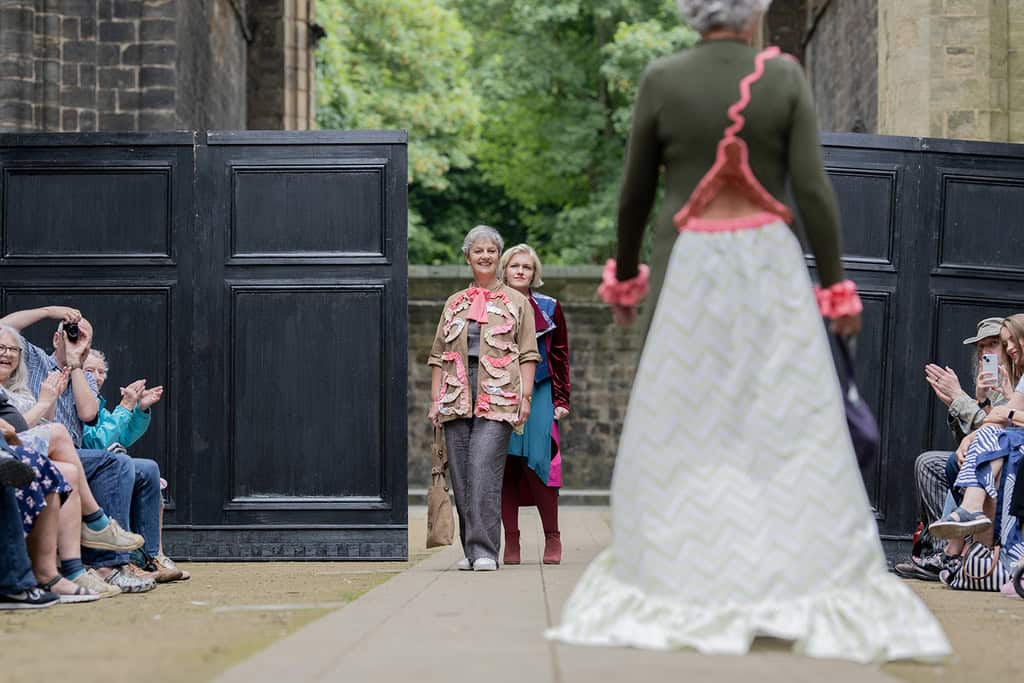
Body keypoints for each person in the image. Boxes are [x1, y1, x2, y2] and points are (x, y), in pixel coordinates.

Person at [546, 0, 950, 662]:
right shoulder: (784, 76)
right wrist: (836, 287)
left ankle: (685, 571)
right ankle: (785, 573)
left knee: (688, 422)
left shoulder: (662, 79)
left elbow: (633, 195)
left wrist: (623, 276)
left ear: (691, 12)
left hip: (690, 273)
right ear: (753, 10)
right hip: (769, 268)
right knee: (782, 424)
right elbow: (814, 193)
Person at [0, 308, 156, 593]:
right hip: (44, 449)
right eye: (71, 332)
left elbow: (88, 413)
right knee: (116, 464)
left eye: (83, 336)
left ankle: (145, 557)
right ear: (56, 337)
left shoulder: (82, 374)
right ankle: (108, 564)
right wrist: (50, 311)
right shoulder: (34, 360)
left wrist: (75, 365)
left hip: (73, 451)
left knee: (140, 467)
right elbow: (4, 328)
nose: (76, 337)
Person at [427, 225, 540, 572]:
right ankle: (472, 550)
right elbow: (438, 355)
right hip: (457, 392)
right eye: (478, 250)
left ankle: (487, 549)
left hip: (500, 392)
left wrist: (525, 397)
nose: (485, 256)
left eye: (492, 250)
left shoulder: (517, 302)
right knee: (461, 473)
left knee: (482, 468)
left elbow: (528, 354)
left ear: (499, 257)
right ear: (467, 257)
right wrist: (435, 400)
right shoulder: (454, 302)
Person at [896, 317, 1009, 581]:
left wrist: (961, 400)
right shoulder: (989, 385)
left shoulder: (1015, 382)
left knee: (951, 465)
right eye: (981, 347)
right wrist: (976, 400)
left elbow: (1002, 432)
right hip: (984, 458)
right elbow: (971, 439)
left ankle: (952, 553)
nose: (985, 353)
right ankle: (940, 553)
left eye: (993, 345)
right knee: (928, 463)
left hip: (1006, 462)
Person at [82, 349, 185, 582]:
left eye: (101, 372)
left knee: (148, 468)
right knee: (122, 463)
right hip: (83, 463)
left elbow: (122, 437)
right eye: (89, 371)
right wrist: (125, 405)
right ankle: (122, 561)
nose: (97, 377)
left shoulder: (96, 403)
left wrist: (139, 410)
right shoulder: (76, 398)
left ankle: (149, 558)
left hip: (99, 461)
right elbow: (96, 442)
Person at [499, 244, 570, 565]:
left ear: (534, 273)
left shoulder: (550, 307)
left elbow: (560, 355)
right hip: (498, 389)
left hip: (540, 390)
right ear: (504, 269)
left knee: (541, 462)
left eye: (526, 267)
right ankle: (511, 542)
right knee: (504, 466)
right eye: (514, 265)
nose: (520, 271)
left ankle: (552, 538)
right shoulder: (491, 304)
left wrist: (562, 398)